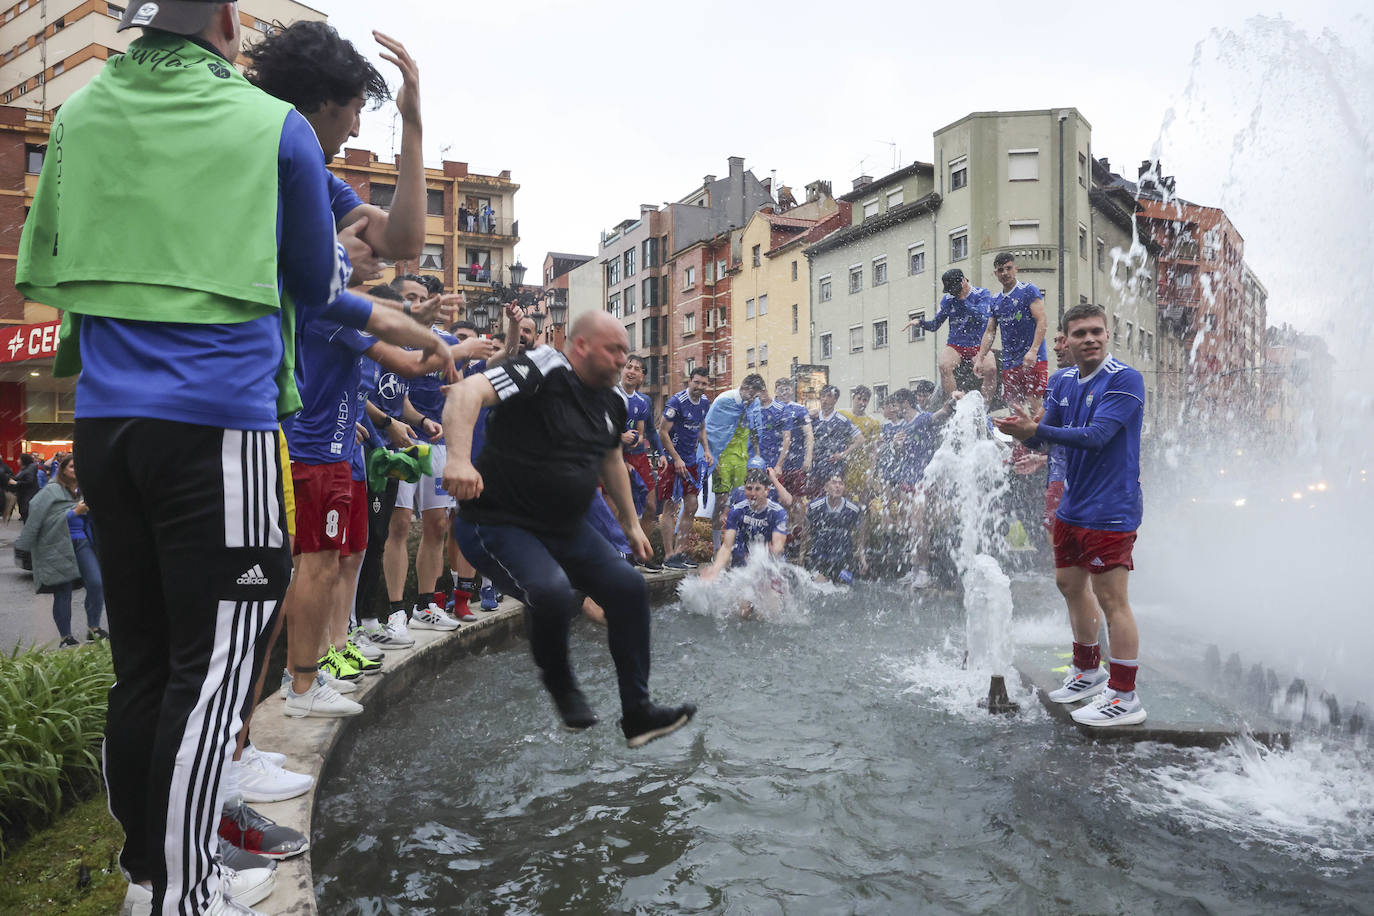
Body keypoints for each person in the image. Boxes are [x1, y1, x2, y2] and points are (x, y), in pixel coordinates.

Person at [15, 4, 452, 912]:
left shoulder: (82, 113)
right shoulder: (273, 130)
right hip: (220, 421)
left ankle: (150, 874)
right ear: (223, 18)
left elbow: (46, 259)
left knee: (142, 663)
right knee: (214, 667)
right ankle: (182, 892)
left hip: (104, 417)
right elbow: (312, 279)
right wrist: (395, 317)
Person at [442, 310, 695, 748]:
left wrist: (632, 524)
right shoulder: (542, 367)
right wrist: (458, 459)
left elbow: (611, 458)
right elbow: (465, 393)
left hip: (564, 528)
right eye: (613, 349)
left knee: (629, 589)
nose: (623, 360)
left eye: (625, 351)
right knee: (554, 592)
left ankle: (637, 713)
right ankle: (561, 686)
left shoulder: (612, 400)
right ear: (581, 347)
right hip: (497, 522)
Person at [994, 303, 1147, 727]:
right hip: (1072, 504)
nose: (1089, 339)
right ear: (1066, 340)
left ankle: (1124, 695)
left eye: (1096, 331)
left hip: (1112, 509)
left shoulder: (1125, 380)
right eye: (1079, 334)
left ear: (1108, 334)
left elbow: (1097, 437)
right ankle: (1088, 670)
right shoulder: (1061, 381)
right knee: (1069, 585)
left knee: (1113, 599)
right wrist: (1027, 435)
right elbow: (1051, 442)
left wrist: (1036, 431)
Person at [15, 455, 105, 647]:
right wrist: (74, 512)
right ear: (63, 469)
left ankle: (94, 628)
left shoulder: (84, 491)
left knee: (96, 583)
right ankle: (66, 637)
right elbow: (42, 519)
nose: (76, 470)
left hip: (82, 543)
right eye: (72, 466)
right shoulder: (51, 491)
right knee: (63, 591)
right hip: (58, 545)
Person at [907, 268, 994, 402]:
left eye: (955, 290)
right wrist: (920, 322)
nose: (954, 294)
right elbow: (935, 325)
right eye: (951, 292)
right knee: (944, 365)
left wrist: (964, 300)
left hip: (978, 344)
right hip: (956, 345)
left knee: (991, 368)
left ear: (964, 281)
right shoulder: (947, 300)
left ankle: (985, 403)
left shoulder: (982, 293)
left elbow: (982, 317)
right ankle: (955, 400)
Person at [977, 252, 1048, 412]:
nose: (1005, 273)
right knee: (1014, 411)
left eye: (1008, 268)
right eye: (1000, 270)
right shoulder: (995, 301)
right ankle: (1019, 439)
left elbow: (1042, 320)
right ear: (996, 273)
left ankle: (1044, 437)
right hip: (1010, 363)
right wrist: (980, 358)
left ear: (1015, 269)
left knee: (1034, 407)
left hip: (1033, 359)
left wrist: (1033, 350)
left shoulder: (1028, 290)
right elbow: (990, 332)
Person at [703, 373, 766, 554]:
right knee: (722, 501)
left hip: (742, 459)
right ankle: (717, 546)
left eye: (756, 396)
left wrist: (758, 460)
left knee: (742, 502)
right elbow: (709, 429)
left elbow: (755, 433)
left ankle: (739, 544)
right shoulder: (724, 400)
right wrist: (710, 458)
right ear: (743, 387)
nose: (753, 399)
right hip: (722, 456)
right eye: (751, 394)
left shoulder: (754, 404)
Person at [658, 367, 711, 569]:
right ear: (689, 381)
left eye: (703, 383)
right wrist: (676, 458)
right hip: (673, 462)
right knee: (670, 507)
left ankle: (680, 552)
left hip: (691, 461)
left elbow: (701, 427)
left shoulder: (705, 402)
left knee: (692, 505)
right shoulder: (676, 403)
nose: (699, 387)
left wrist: (706, 450)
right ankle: (668, 555)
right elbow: (662, 431)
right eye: (696, 382)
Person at [700, 467, 789, 581]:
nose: (753, 493)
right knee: (740, 596)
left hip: (773, 564)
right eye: (749, 488)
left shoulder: (777, 512)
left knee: (770, 596)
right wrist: (715, 569)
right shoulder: (737, 510)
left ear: (766, 490)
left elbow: (778, 547)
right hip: (746, 562)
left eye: (757, 489)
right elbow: (727, 546)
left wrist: (761, 557)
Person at [619, 355, 666, 560]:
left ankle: (641, 554)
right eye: (628, 367)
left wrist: (661, 454)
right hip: (615, 457)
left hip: (640, 458)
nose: (631, 371)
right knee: (621, 509)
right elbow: (598, 428)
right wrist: (620, 437)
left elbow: (651, 432)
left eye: (637, 369)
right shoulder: (610, 395)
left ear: (642, 377)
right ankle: (620, 554)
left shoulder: (644, 401)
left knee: (651, 507)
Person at [805, 474, 866, 583]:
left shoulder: (853, 509)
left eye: (841, 483)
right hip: (820, 556)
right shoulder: (814, 506)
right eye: (834, 483)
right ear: (826, 487)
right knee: (818, 588)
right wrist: (802, 553)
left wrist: (861, 555)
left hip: (843, 556)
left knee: (844, 589)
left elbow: (861, 530)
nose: (837, 486)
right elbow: (806, 529)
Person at [809, 385, 861, 499]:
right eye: (822, 396)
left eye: (829, 396)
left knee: (834, 498)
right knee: (815, 499)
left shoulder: (842, 420)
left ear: (835, 400)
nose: (825, 399)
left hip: (834, 468)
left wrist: (843, 454)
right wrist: (809, 454)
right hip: (816, 467)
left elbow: (860, 439)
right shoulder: (813, 418)